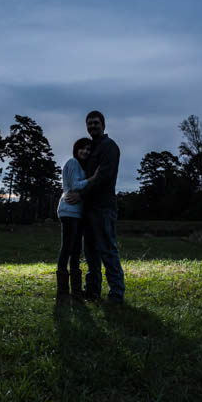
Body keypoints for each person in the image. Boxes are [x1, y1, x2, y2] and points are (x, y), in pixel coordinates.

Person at [66, 110, 125, 304]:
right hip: (88, 208)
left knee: (107, 249)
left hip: (103, 207)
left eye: (96, 123)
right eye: (89, 123)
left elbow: (104, 177)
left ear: (103, 125)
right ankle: (92, 290)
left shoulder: (109, 147)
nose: (92, 126)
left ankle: (116, 293)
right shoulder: (92, 148)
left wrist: (81, 193)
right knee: (90, 251)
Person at [55, 138, 98, 302]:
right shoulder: (72, 162)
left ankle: (76, 290)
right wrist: (92, 179)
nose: (85, 152)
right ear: (76, 149)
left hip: (78, 213)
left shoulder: (81, 166)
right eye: (82, 148)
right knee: (67, 248)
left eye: (88, 149)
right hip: (69, 211)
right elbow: (73, 185)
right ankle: (63, 290)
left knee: (76, 251)